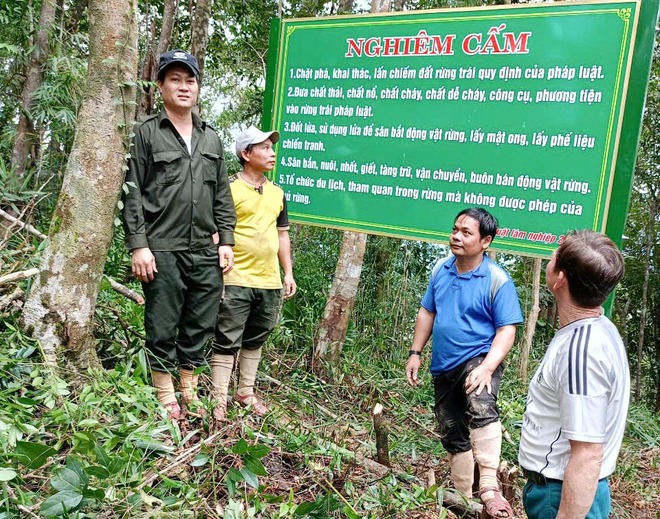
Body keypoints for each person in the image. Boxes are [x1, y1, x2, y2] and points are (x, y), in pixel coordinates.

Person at [122, 49, 236, 421]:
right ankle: (164, 388)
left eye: (190, 80)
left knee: (200, 320)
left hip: (205, 247)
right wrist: (139, 245)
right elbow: (133, 190)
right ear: (161, 87)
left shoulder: (211, 139)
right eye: (175, 79)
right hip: (162, 247)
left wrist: (228, 241)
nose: (183, 87)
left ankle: (188, 382)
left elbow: (221, 194)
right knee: (163, 320)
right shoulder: (147, 133)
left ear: (198, 87)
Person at [406, 207, 523, 518]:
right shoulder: (440, 269)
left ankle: (488, 486)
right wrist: (415, 352)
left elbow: (507, 329)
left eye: (466, 232)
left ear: (485, 241)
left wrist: (487, 367)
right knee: (451, 428)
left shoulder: (497, 279)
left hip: (478, 358)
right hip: (443, 364)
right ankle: (462, 496)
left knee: (481, 404)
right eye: (455, 229)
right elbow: (427, 312)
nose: (456, 236)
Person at [519, 230, 629, 519]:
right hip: (561, 490)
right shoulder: (598, 327)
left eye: (553, 258)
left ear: (560, 279)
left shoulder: (582, 352)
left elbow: (587, 453)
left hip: (562, 495)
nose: (549, 259)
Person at [209, 125, 296, 421]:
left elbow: (282, 234)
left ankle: (245, 392)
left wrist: (288, 273)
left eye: (272, 148)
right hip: (235, 277)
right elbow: (216, 231)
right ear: (246, 154)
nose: (272, 153)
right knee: (226, 337)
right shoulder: (229, 188)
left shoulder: (278, 193)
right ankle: (218, 397)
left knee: (256, 337)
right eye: (264, 148)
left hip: (268, 280)